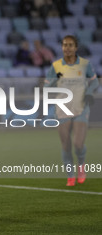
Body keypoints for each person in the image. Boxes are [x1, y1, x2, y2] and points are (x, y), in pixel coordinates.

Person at [44, 35, 99, 186]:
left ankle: (81, 167)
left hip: (81, 107)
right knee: (66, 144)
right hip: (62, 109)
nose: (67, 48)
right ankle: (70, 174)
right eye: (64, 45)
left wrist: (89, 93)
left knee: (78, 144)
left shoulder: (84, 64)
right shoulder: (55, 66)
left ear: (76, 48)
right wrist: (55, 80)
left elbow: (94, 82)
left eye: (70, 45)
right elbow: (46, 87)